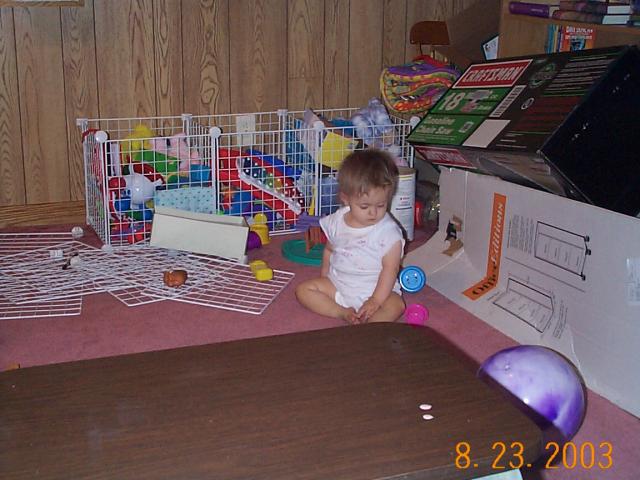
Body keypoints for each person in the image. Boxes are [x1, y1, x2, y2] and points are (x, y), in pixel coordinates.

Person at [296, 149, 406, 324]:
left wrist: (375, 300)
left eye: (381, 205)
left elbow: (390, 270)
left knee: (396, 305)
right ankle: (341, 312)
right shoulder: (336, 221)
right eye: (364, 206)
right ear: (346, 199)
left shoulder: (389, 232)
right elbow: (329, 251)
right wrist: (324, 277)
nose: (373, 212)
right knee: (303, 290)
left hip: (377, 290)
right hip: (339, 285)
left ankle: (369, 328)